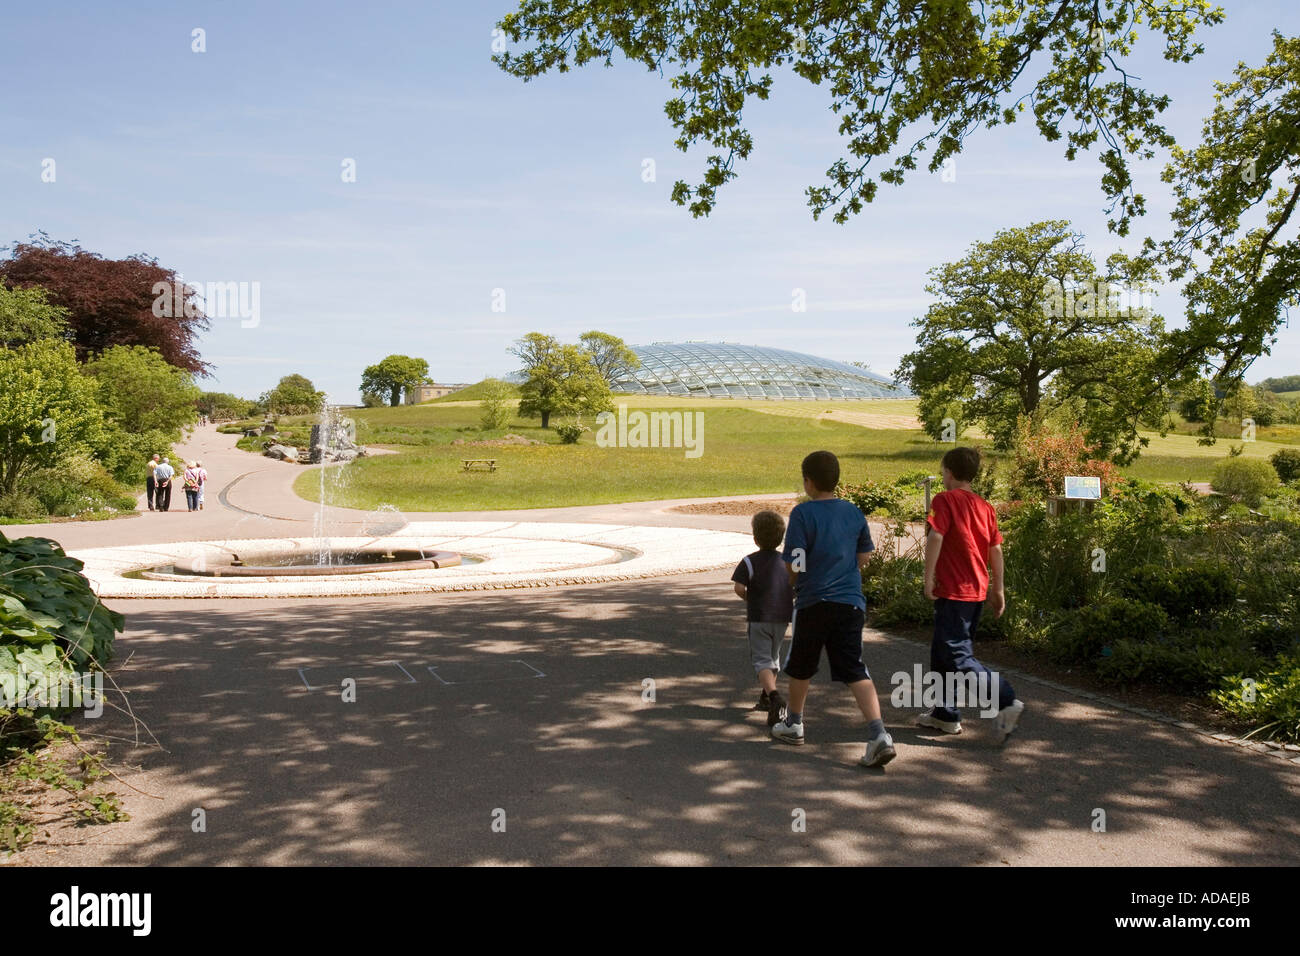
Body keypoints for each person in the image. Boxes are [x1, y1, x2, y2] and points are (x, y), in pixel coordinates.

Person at [771, 450, 896, 768]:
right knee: (855, 668)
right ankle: (878, 733)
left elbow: (796, 559)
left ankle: (794, 723)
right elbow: (864, 556)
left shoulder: (802, 514)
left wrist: (791, 580)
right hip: (850, 603)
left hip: (814, 602)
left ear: (808, 481)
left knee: (801, 665)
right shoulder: (853, 512)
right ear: (836, 480)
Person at [919, 446, 1024, 743]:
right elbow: (995, 549)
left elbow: (935, 536)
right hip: (976, 591)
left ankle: (1006, 699)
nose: (942, 476)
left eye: (942, 471)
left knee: (958, 656)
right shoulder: (984, 506)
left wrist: (928, 579)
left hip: (954, 592)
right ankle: (945, 713)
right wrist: (998, 588)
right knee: (942, 654)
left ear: (949, 472)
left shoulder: (943, 500)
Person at [731, 510, 793, 727]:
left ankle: (775, 697)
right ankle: (766, 697)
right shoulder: (788, 562)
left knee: (761, 661)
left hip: (759, 617)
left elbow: (739, 587)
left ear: (755, 538)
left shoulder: (749, 562)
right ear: (781, 537)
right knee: (773, 657)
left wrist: (750, 598)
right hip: (782, 617)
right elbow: (796, 586)